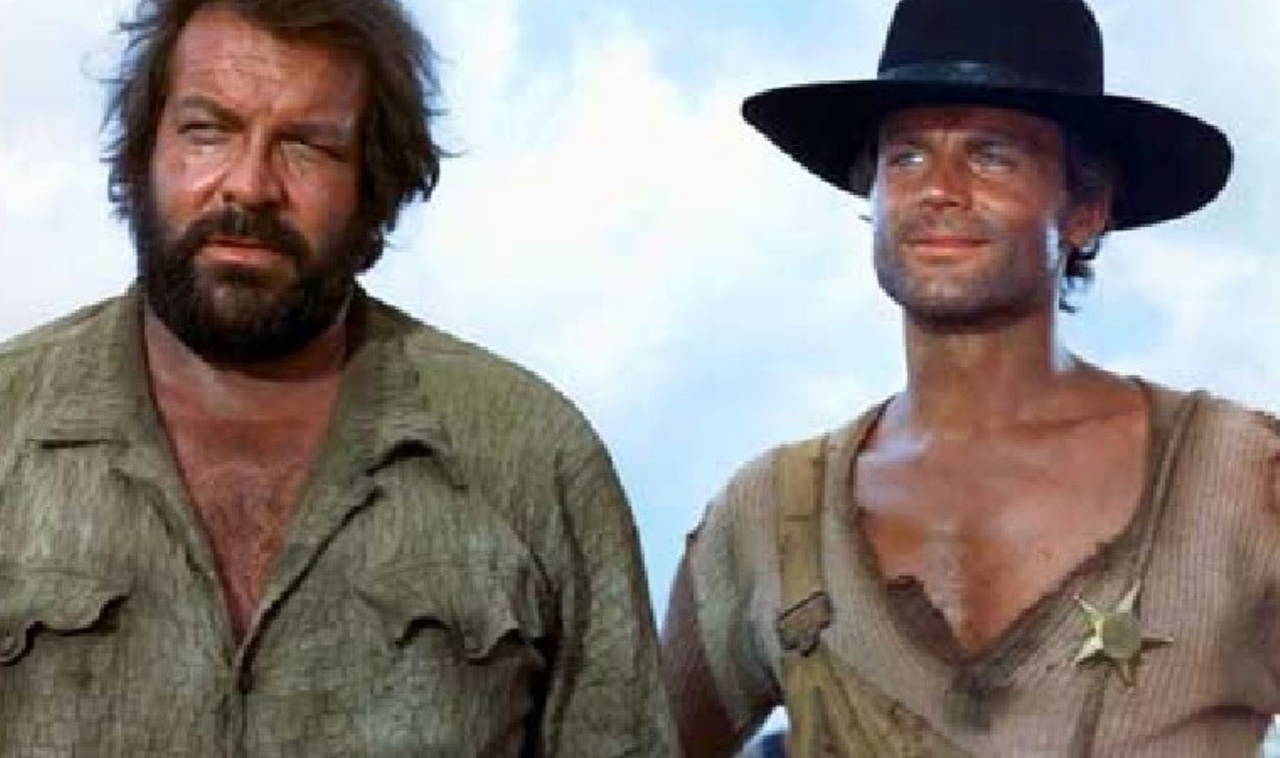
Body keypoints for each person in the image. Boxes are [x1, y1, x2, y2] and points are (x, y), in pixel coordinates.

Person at [0, 0, 674, 754]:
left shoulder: (528, 455)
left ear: (373, 189)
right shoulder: (11, 422)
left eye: (307, 146)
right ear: (143, 156)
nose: (249, 185)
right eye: (207, 131)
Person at [663, 0, 1280, 755]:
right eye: (906, 158)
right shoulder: (768, 515)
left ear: (1086, 209)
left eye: (992, 156)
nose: (939, 189)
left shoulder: (1242, 481)